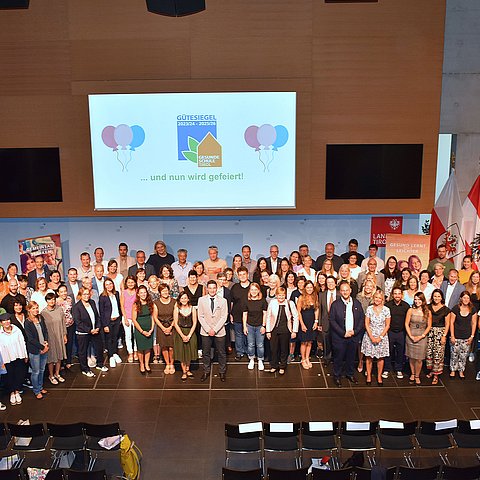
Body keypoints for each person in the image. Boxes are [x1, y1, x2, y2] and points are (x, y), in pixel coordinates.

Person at [329, 281, 365, 387]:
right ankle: (337, 376)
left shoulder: (357, 303)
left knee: (351, 357)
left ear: (350, 291)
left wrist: (355, 331)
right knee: (338, 358)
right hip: (340, 337)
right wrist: (343, 333)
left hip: (353, 336)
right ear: (340, 292)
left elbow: (361, 319)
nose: (345, 292)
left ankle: (349, 374)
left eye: (347, 290)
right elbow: (332, 320)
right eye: (343, 290)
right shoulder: (335, 304)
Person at [197, 280, 228, 382]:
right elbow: (200, 316)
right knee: (206, 352)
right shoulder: (201, 300)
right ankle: (206, 371)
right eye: (210, 288)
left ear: (217, 289)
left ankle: (222, 372)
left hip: (219, 331)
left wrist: (214, 330)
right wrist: (208, 329)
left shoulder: (223, 301)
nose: (212, 290)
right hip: (205, 331)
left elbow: (224, 317)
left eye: (214, 288)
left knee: (221, 352)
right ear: (207, 289)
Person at [265, 286, 299, 375]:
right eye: (279, 295)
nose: (281, 297)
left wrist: (294, 330)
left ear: (285, 295)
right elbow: (268, 317)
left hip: (285, 330)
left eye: (282, 295)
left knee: (284, 349)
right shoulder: (272, 303)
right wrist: (268, 331)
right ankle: (274, 366)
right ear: (276, 295)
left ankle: (282, 366)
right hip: (274, 329)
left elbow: (296, 317)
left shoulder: (290, 303)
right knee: (273, 349)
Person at [72, 287, 104, 377]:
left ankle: (100, 364)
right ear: (80, 295)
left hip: (95, 330)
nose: (86, 296)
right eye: (84, 294)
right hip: (83, 333)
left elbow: (97, 316)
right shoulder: (76, 307)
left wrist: (97, 327)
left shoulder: (92, 302)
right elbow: (78, 322)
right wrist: (90, 330)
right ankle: (85, 369)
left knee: (99, 347)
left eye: (87, 294)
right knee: (83, 351)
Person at [361, 290, 391, 385]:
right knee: (369, 357)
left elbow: (387, 325)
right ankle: (369, 375)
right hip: (370, 335)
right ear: (373, 298)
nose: (377, 299)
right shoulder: (369, 309)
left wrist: (380, 337)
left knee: (380, 358)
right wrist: (371, 336)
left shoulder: (386, 310)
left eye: (379, 298)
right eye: (376, 297)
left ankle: (379, 376)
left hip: (381, 336)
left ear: (382, 299)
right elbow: (366, 323)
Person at [0, 314, 28, 405]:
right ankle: (12, 392)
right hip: (7, 358)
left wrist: (25, 355)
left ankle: (17, 391)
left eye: (8, 320)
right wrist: (3, 361)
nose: (6, 322)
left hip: (18, 356)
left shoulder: (16, 330)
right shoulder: (1, 334)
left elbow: (22, 342)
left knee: (19, 374)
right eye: (4, 321)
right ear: (1, 323)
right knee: (10, 375)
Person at [405, 292, 432, 385]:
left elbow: (429, 326)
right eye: (415, 299)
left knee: (419, 358)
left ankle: (417, 375)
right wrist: (411, 336)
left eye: (419, 299)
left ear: (423, 300)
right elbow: (406, 324)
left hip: (422, 336)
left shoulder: (427, 312)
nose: (417, 301)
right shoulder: (410, 310)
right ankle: (412, 373)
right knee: (411, 357)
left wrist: (422, 336)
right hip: (411, 335)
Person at [42, 292, 67, 385]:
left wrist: (64, 334)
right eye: (49, 299)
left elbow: (63, 323)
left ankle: (57, 373)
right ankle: (51, 375)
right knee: (51, 358)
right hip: (50, 337)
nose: (52, 301)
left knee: (59, 356)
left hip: (59, 335)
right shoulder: (43, 313)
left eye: (53, 299)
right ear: (46, 301)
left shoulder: (60, 309)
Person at [450, 291, 477, 379]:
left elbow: (474, 323)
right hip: (456, 335)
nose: (466, 300)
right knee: (454, 354)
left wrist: (472, 336)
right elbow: (451, 323)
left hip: (467, 336)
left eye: (468, 298)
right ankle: (453, 370)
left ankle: (461, 370)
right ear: (461, 298)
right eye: (464, 298)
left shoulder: (472, 309)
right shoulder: (455, 308)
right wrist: (452, 336)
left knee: (463, 355)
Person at [24, 302, 49, 399]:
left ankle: (40, 386)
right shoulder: (27, 322)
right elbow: (30, 339)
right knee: (36, 371)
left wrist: (46, 343)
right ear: (29, 309)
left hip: (44, 347)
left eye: (37, 308)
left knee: (42, 370)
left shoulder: (40, 318)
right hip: (35, 350)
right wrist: (42, 347)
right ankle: (36, 390)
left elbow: (45, 330)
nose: (36, 310)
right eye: (33, 308)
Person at [384, 287, 410, 379]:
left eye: (399, 293)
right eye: (395, 293)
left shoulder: (406, 306)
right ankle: (386, 369)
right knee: (388, 351)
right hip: (390, 332)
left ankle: (399, 369)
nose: (397, 295)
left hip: (401, 332)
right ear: (392, 295)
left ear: (402, 295)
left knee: (400, 352)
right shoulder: (387, 305)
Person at [426, 289, 450, 384]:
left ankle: (436, 375)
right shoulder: (428, 307)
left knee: (438, 354)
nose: (436, 298)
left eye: (438, 296)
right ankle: (432, 371)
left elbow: (447, 324)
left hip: (440, 333)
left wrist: (444, 336)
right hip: (430, 332)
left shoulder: (445, 309)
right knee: (429, 352)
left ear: (441, 298)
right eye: (435, 296)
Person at [242, 283, 267, 371]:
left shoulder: (263, 301)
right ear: (249, 291)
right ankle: (251, 359)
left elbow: (265, 314)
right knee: (250, 344)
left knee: (260, 345)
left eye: (255, 289)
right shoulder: (246, 301)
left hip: (260, 326)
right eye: (252, 289)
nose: (254, 291)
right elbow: (245, 314)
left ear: (259, 290)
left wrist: (264, 326)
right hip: (250, 326)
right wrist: (244, 327)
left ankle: (260, 360)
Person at [173, 292, 198, 381]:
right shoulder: (177, 309)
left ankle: (188, 369)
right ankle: (184, 371)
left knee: (189, 352)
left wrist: (190, 335)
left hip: (190, 331)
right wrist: (182, 335)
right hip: (180, 332)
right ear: (179, 299)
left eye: (185, 298)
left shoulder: (193, 309)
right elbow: (175, 323)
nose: (184, 300)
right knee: (182, 352)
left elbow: (195, 322)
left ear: (188, 299)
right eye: (182, 298)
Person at [99, 278, 123, 369]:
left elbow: (119, 306)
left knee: (115, 337)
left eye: (110, 284)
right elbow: (101, 312)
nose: (109, 286)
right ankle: (111, 356)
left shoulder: (116, 294)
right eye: (107, 284)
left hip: (117, 320)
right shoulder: (103, 296)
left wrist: (120, 318)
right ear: (104, 286)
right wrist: (104, 325)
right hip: (108, 321)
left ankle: (115, 353)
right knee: (109, 339)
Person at [132, 285, 155, 374]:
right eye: (141, 293)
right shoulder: (135, 305)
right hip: (140, 329)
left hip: (149, 328)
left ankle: (147, 364)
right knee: (141, 348)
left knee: (148, 348)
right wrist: (142, 331)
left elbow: (153, 317)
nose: (143, 294)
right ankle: (141, 364)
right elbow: (134, 319)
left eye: (144, 292)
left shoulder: (150, 303)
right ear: (138, 294)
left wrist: (152, 329)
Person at [153, 283, 176, 374]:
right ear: (160, 292)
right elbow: (155, 317)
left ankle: (172, 363)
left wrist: (170, 327)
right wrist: (163, 328)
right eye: (163, 291)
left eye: (166, 290)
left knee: (171, 347)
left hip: (172, 325)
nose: (165, 292)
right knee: (164, 346)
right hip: (161, 326)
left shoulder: (174, 301)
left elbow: (175, 316)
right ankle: (167, 363)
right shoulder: (156, 303)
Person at [297, 280, 319, 369]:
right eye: (308, 287)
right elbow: (298, 312)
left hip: (312, 321)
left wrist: (316, 321)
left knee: (310, 342)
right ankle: (303, 359)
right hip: (304, 321)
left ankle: (307, 358)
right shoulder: (301, 297)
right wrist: (302, 324)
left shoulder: (315, 297)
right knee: (304, 342)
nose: (309, 289)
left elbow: (316, 309)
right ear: (305, 288)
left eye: (311, 287)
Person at [230, 267, 250, 360]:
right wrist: (230, 314)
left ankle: (249, 351)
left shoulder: (253, 286)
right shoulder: (235, 287)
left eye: (244, 274)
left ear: (247, 275)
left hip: (251, 316)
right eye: (240, 275)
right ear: (237, 276)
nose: (242, 276)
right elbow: (232, 302)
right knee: (239, 334)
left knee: (248, 334)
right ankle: (239, 352)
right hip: (237, 315)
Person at [319, 275, 338, 365]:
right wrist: (319, 323)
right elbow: (320, 310)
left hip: (338, 323)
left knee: (337, 341)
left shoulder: (340, 294)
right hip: (325, 322)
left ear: (335, 283)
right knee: (326, 341)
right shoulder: (322, 294)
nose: (330, 284)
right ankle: (327, 358)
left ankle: (336, 358)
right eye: (328, 282)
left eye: (332, 282)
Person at [56, 284, 74, 369]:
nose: (64, 293)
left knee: (69, 343)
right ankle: (62, 362)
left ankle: (68, 361)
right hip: (61, 326)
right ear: (58, 293)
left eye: (65, 291)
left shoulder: (69, 299)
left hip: (70, 324)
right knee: (62, 344)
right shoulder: (56, 302)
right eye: (61, 292)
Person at [120, 276, 138, 363]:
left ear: (135, 283)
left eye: (132, 282)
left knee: (136, 335)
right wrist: (125, 318)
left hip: (136, 317)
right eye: (129, 282)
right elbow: (122, 306)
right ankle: (130, 352)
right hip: (126, 317)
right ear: (126, 283)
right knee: (128, 336)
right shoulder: (124, 292)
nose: (130, 284)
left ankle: (135, 352)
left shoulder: (137, 292)